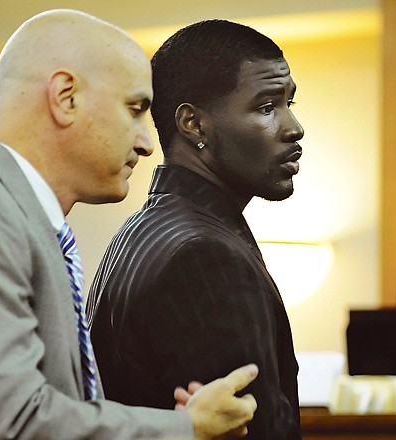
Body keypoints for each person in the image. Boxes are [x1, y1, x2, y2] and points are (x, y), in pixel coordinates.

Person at [0, 10, 259, 440]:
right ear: (66, 97)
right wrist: (185, 429)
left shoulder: (27, 222)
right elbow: (11, 424)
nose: (146, 142)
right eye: (134, 109)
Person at [87, 19, 304, 439]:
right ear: (194, 124)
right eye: (266, 107)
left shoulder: (144, 228)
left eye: (289, 103)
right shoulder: (205, 257)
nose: (293, 127)